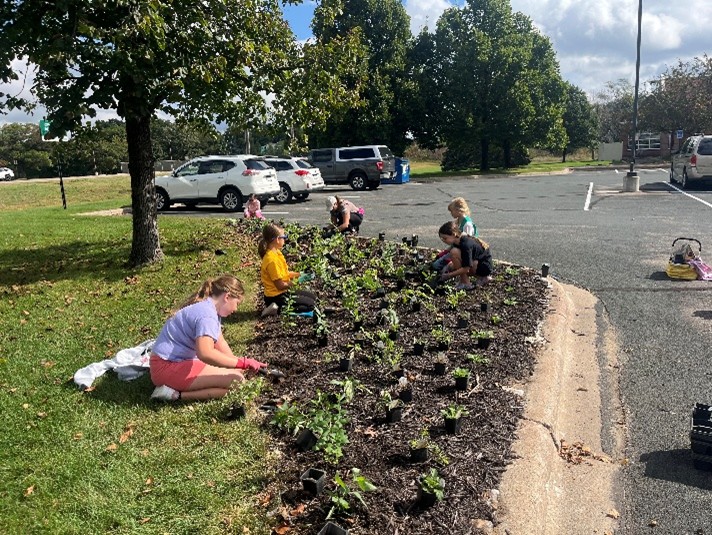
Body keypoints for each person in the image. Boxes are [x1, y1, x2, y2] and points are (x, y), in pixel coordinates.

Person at [149, 275, 267, 401]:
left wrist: (241, 366)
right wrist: (242, 363)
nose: (236, 309)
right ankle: (173, 395)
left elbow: (220, 344)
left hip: (175, 364)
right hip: (166, 368)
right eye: (237, 303)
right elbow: (205, 353)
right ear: (227, 297)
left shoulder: (209, 310)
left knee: (237, 376)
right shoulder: (207, 316)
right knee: (237, 381)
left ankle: (174, 391)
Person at [259, 223, 316, 317]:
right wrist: (299, 280)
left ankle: (278, 308)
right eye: (283, 237)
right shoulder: (271, 260)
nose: (285, 239)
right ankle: (276, 310)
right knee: (310, 305)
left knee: (313, 298)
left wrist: (300, 274)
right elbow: (280, 286)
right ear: (277, 239)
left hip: (282, 293)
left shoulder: (276, 253)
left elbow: (284, 274)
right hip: (275, 297)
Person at [437, 221, 493, 290]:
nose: (443, 240)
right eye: (441, 239)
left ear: (454, 234)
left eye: (445, 238)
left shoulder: (466, 244)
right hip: (478, 263)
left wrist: (449, 275)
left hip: (483, 267)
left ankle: (466, 282)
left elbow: (466, 268)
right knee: (452, 264)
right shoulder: (458, 240)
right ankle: (480, 278)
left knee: (454, 253)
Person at [433, 197, 478, 272]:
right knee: (436, 264)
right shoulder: (458, 221)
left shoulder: (467, 224)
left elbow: (468, 244)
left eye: (452, 211)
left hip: (465, 253)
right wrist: (445, 252)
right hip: (457, 248)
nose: (451, 213)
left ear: (458, 210)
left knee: (439, 266)